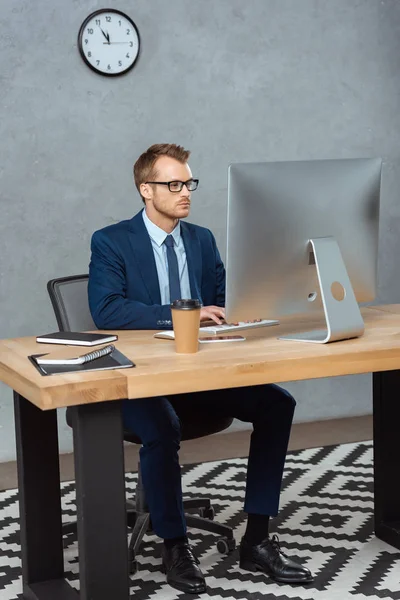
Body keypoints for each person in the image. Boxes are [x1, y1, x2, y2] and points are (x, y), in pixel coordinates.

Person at [88, 144, 313, 594]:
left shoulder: (202, 239)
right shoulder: (112, 240)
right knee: (162, 424)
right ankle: (175, 544)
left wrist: (247, 307)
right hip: (140, 382)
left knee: (277, 405)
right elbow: (107, 310)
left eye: (189, 182)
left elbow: (225, 297)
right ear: (145, 190)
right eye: (173, 184)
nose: (185, 192)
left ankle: (257, 540)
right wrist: (184, 313)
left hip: (200, 375)